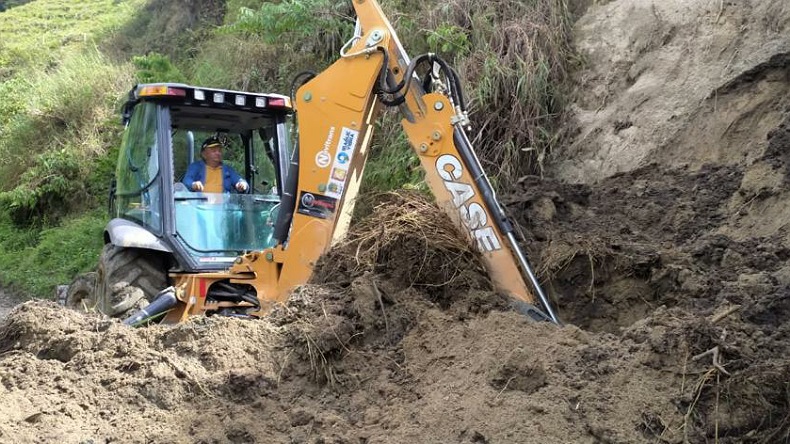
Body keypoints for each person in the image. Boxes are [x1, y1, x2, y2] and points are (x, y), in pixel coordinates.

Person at [183, 136, 249, 193]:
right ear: (204, 154)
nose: (218, 153)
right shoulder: (196, 167)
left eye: (219, 150)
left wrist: (243, 184)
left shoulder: (227, 170)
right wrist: (193, 184)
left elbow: (239, 180)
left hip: (223, 207)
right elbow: (187, 180)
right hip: (200, 206)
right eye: (213, 151)